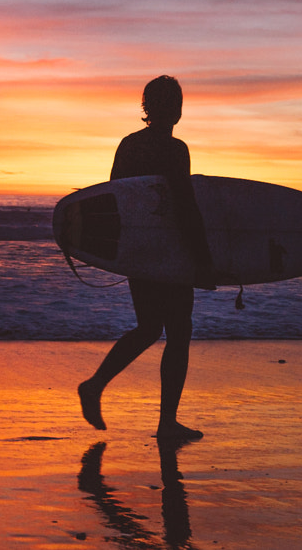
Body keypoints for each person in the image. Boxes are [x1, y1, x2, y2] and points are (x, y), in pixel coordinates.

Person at [78, 75, 214, 441]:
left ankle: (95, 386)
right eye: (175, 102)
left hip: (139, 251)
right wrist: (202, 258)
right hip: (169, 251)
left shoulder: (129, 145)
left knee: (151, 327)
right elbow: (184, 207)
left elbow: (115, 200)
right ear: (172, 108)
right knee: (179, 331)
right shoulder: (175, 149)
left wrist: (120, 253)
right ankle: (166, 422)